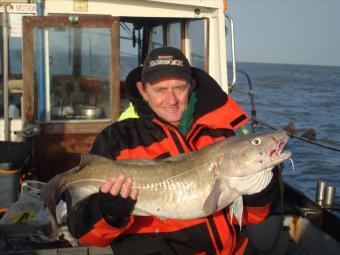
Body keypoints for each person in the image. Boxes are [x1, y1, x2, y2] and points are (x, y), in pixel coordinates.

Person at [66, 47, 280, 255]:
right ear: (143, 91)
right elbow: (84, 234)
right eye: (160, 90)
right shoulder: (117, 140)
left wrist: (261, 192)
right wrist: (109, 213)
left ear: (191, 86)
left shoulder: (221, 134)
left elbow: (253, 218)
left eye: (179, 88)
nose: (171, 100)